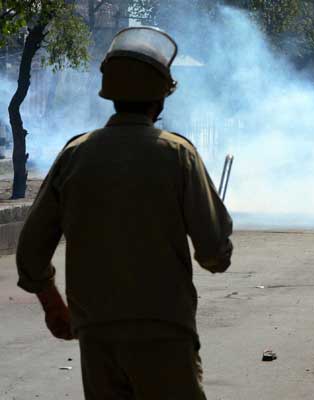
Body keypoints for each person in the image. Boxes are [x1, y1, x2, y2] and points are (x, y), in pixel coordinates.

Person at [15, 27, 233, 400]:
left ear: (110, 94)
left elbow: (31, 251)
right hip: (164, 332)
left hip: (97, 335)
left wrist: (55, 308)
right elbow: (214, 254)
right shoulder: (178, 155)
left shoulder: (75, 155)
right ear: (161, 99)